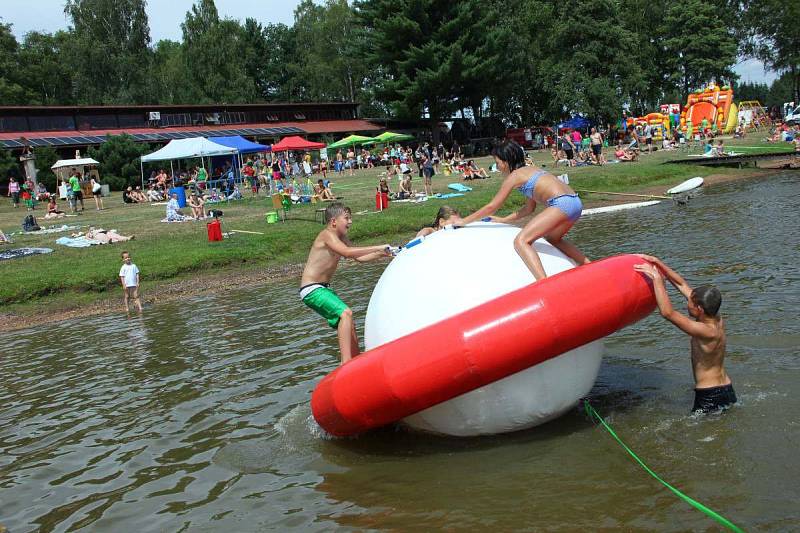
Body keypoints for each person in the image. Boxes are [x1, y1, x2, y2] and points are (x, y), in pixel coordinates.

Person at [462, 140, 589, 280]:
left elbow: (492, 206)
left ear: (505, 161)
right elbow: (529, 208)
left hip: (560, 204)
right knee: (554, 239)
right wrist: (503, 219)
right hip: (575, 202)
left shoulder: (514, 176)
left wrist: (463, 221)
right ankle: (589, 266)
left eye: (497, 162)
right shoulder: (531, 170)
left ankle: (544, 282)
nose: (497, 167)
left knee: (521, 241)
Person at [633, 255, 735, 414]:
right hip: (726, 388)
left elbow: (667, 313)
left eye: (689, 302)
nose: (686, 302)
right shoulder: (716, 318)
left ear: (699, 309)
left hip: (709, 394)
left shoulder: (705, 331)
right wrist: (658, 264)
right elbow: (681, 283)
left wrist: (657, 280)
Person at [299, 203, 392, 364]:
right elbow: (348, 253)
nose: (350, 222)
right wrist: (378, 246)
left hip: (324, 289)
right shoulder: (326, 235)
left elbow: (359, 258)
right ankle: (346, 363)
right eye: (346, 218)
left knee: (349, 323)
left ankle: (357, 362)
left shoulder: (342, 238)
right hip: (311, 289)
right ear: (333, 221)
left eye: (350, 218)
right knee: (345, 314)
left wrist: (381, 254)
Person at [119, 251, 143, 315]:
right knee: (127, 296)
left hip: (133, 284)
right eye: (126, 258)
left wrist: (137, 282)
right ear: (123, 259)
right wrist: (123, 285)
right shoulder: (123, 267)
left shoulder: (134, 265)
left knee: (136, 295)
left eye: (129, 257)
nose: (128, 258)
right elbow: (122, 276)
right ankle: (127, 308)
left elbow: (137, 274)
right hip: (127, 284)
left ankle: (140, 307)